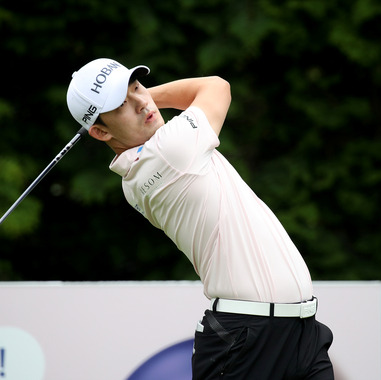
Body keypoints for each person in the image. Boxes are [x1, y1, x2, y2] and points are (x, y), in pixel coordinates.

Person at [66, 58, 334, 380]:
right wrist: (153, 96)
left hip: (299, 332)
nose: (141, 102)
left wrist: (137, 98)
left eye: (137, 87)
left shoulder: (145, 166)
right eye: (122, 104)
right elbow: (217, 86)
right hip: (246, 341)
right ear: (99, 131)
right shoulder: (169, 151)